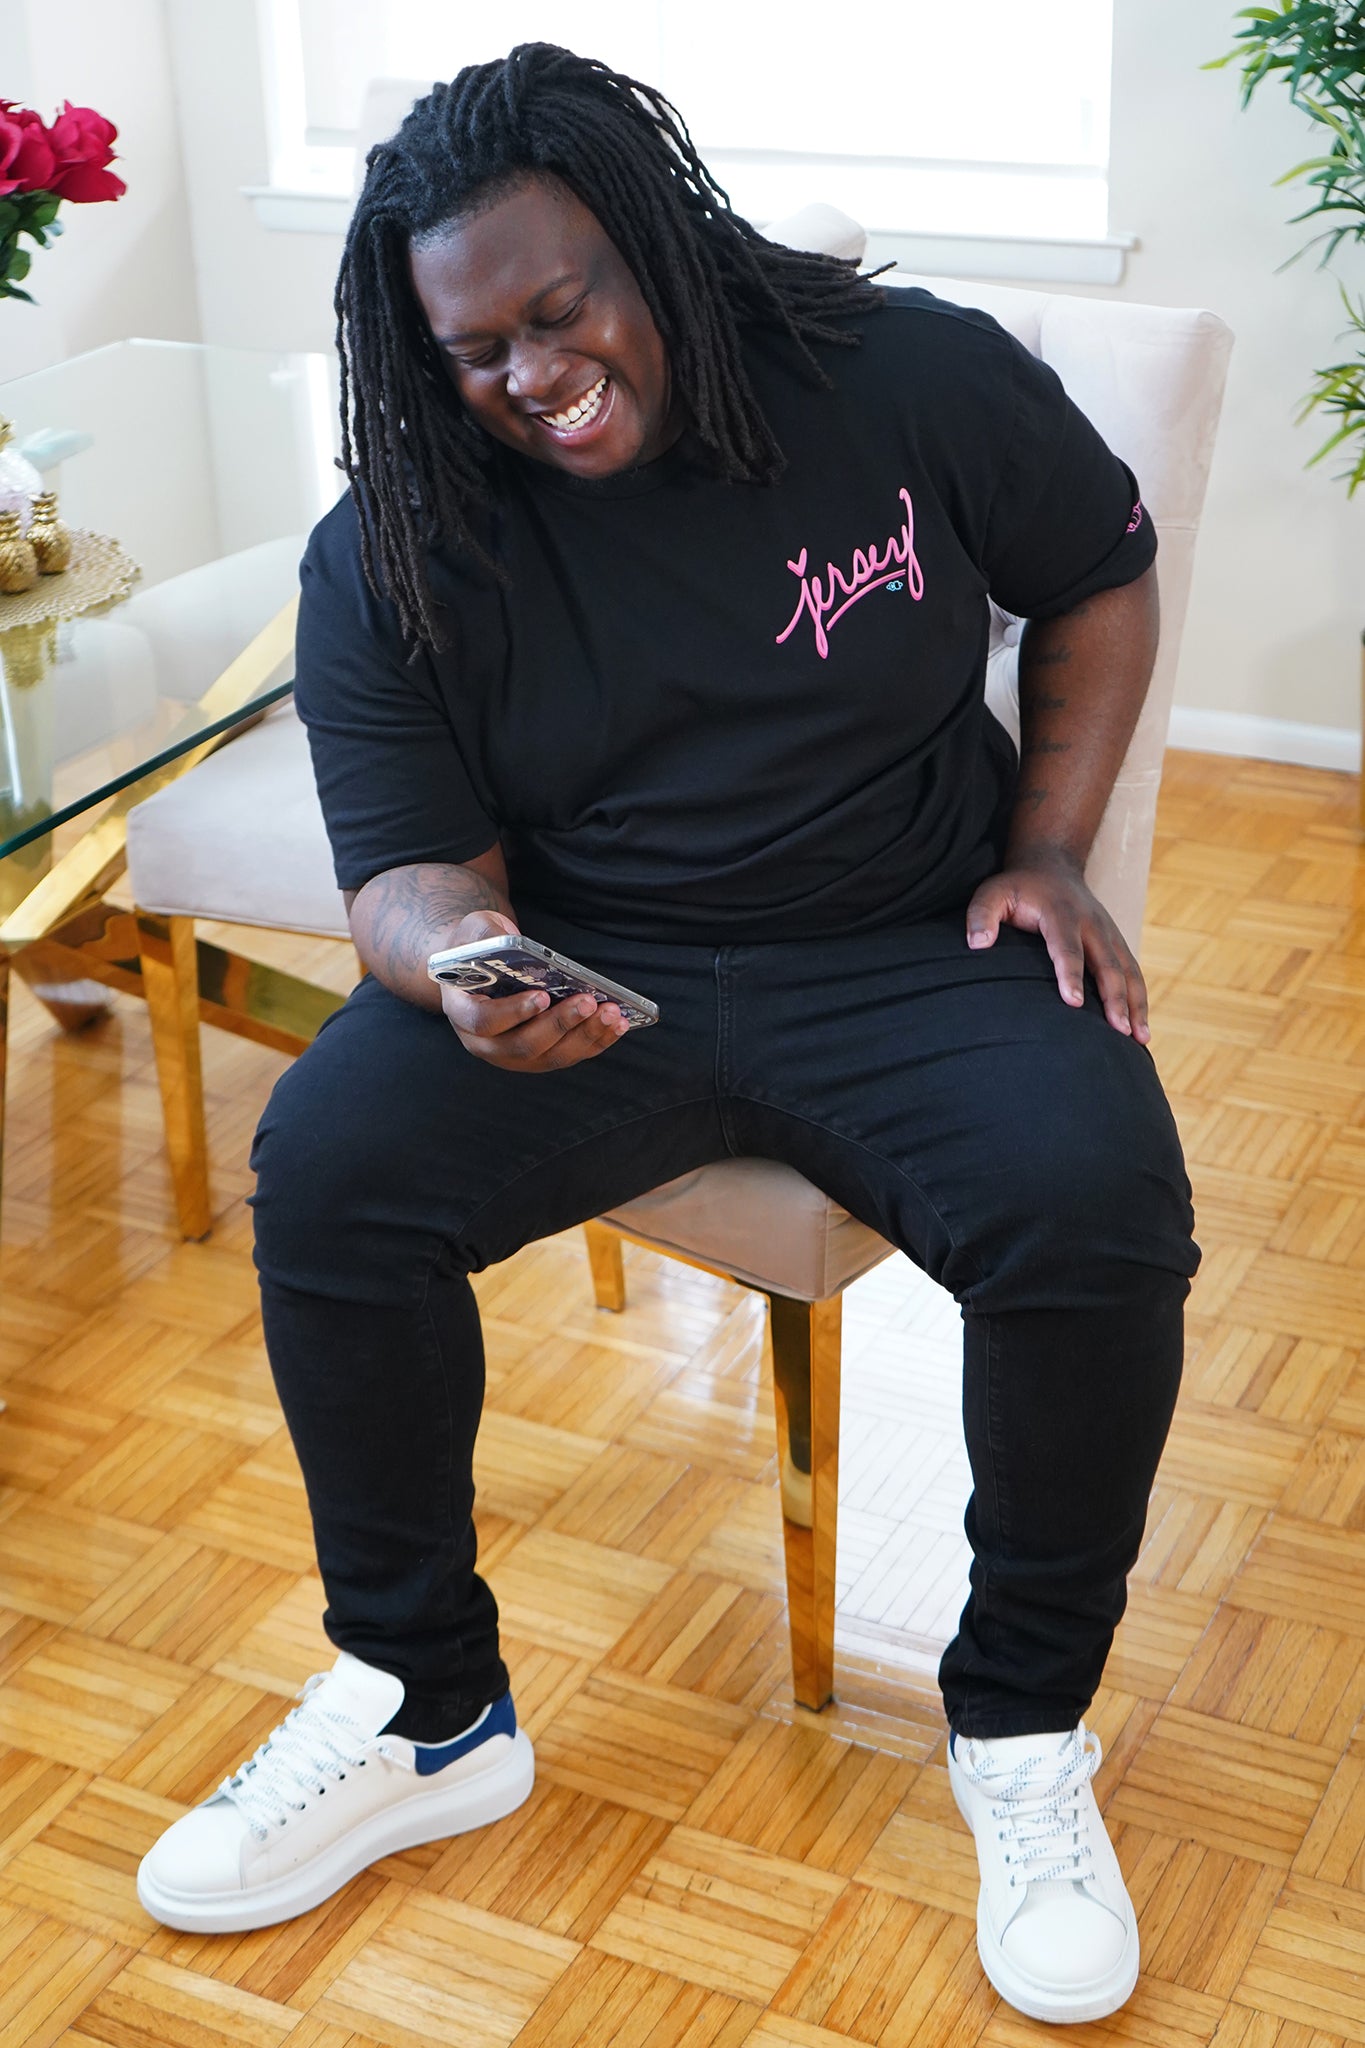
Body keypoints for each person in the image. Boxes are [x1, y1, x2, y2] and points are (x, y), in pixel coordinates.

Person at [135, 43, 1198, 2026]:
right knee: (330, 1177)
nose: (532, 372)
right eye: (475, 347)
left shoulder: (904, 378)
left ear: (659, 248)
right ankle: (425, 1704)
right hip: (591, 970)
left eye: (562, 309)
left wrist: (1049, 850)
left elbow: (1095, 577)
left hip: (901, 937)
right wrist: (459, 959)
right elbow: (399, 874)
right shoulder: (398, 537)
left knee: (1098, 1203)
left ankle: (1019, 1727)